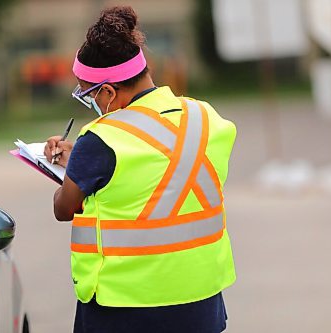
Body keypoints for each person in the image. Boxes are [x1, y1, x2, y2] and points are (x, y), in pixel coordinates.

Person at [44, 6, 236, 333]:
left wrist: (80, 164)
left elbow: (64, 207)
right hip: (201, 304)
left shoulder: (102, 138)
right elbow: (164, 166)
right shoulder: (205, 119)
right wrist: (80, 159)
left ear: (107, 92)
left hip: (125, 309)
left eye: (87, 95)